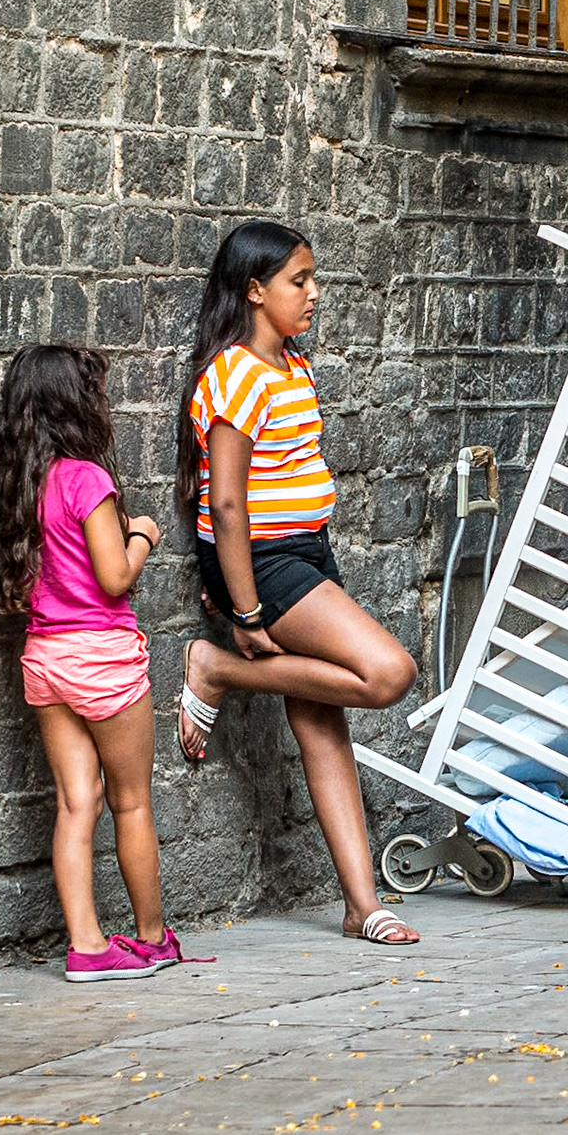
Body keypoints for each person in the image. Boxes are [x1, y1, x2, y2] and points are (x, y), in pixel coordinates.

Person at [175, 221, 422, 946]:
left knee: (321, 722)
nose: (313, 294)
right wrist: (244, 606)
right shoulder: (234, 375)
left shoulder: (293, 367)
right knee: (387, 673)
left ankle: (361, 906)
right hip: (269, 563)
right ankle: (217, 668)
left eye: (313, 279)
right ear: (255, 290)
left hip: (308, 552)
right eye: (298, 281)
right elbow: (224, 504)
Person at [0, 345, 190, 981]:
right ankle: (153, 940)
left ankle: (87, 947)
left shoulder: (20, 486)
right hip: (101, 657)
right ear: (78, 404)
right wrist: (145, 535)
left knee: (77, 806)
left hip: (45, 659)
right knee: (131, 804)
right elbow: (113, 576)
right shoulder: (86, 480)